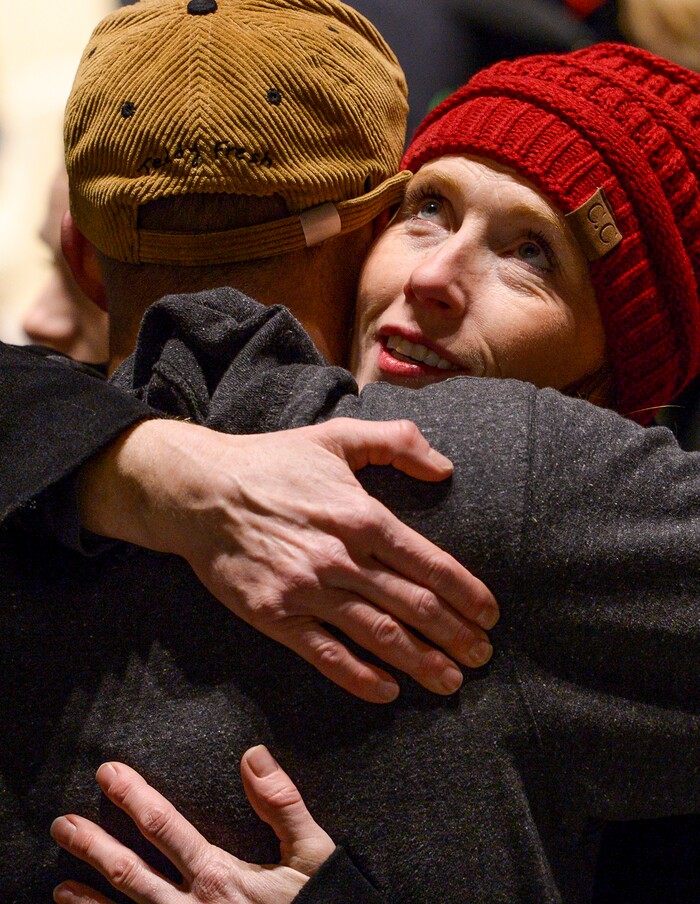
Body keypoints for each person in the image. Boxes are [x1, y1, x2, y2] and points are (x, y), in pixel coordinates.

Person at [12, 29, 700, 904]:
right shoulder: (85, 440)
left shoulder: (548, 488)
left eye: (533, 255)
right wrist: (149, 467)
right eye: (429, 209)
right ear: (364, 230)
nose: (437, 276)